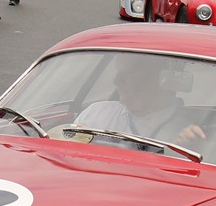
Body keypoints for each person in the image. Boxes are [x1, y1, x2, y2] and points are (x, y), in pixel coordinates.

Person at [75, 57, 207, 147]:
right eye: (118, 72)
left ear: (157, 79)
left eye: (128, 73)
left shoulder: (184, 136)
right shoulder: (96, 114)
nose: (116, 81)